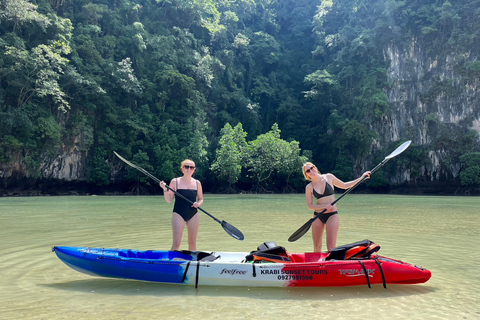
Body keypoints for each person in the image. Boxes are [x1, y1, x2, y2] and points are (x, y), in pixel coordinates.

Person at [302, 162, 371, 253]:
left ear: (315, 168)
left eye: (312, 167)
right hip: (318, 216)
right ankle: (318, 266)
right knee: (317, 248)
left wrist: (361, 178)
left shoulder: (329, 177)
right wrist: (324, 206)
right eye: (308, 170)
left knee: (331, 248)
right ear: (306, 175)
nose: (311, 170)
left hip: (332, 215)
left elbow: (345, 186)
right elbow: (310, 206)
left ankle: (332, 264)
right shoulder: (309, 187)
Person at [159, 159, 203, 251]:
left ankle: (192, 263)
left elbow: (201, 199)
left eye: (192, 167)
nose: (189, 169)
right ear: (182, 169)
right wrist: (164, 189)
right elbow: (169, 200)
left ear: (194, 170)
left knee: (193, 243)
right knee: (176, 244)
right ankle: (171, 263)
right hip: (178, 214)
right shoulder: (175, 181)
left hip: (193, 214)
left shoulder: (197, 183)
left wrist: (198, 204)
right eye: (186, 167)